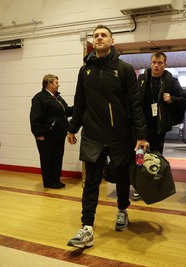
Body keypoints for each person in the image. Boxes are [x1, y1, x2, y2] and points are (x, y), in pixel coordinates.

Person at [66, 25, 148, 248]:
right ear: (93, 42)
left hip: (119, 134)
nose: (99, 38)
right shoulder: (86, 70)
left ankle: (122, 210)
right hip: (93, 134)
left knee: (121, 176)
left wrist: (141, 135)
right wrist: (72, 128)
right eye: (96, 36)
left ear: (112, 41)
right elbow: (80, 102)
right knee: (90, 181)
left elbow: (135, 104)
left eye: (103, 35)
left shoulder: (124, 69)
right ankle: (87, 228)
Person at [132, 51, 186, 200]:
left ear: (165, 64)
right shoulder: (143, 78)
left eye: (160, 63)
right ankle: (139, 186)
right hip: (142, 125)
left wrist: (172, 99)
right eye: (154, 63)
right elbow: (134, 99)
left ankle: (154, 185)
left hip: (158, 126)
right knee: (140, 156)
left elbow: (183, 98)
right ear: (150, 64)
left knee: (156, 156)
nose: (156, 66)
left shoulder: (170, 80)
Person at [30, 74, 73, 189]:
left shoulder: (57, 98)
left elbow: (67, 111)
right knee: (47, 158)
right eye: (56, 83)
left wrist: (78, 107)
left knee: (57, 157)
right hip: (46, 135)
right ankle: (49, 182)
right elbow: (35, 117)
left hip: (59, 135)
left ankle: (56, 180)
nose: (58, 85)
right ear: (48, 84)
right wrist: (39, 133)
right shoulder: (40, 98)